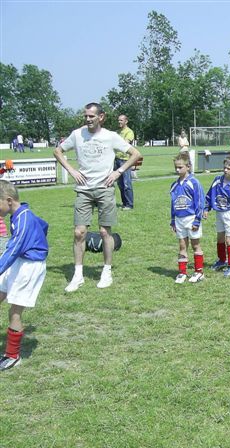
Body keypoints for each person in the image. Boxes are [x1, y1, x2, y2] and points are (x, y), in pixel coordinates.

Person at [54, 102, 142, 292]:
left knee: (104, 232)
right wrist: (71, 170)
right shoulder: (77, 135)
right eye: (86, 116)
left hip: (105, 189)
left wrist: (118, 172)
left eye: (91, 116)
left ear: (101, 117)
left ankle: (106, 271)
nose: (88, 119)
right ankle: (78, 275)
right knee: (79, 233)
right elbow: (58, 151)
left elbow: (135, 154)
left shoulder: (111, 137)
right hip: (83, 190)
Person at [0, 180, 48, 371]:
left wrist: (37, 250)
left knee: (14, 311)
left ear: (9, 200)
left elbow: (12, 250)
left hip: (29, 267)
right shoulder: (21, 214)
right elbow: (44, 225)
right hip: (20, 261)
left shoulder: (23, 220)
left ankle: (12, 356)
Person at [205, 156, 230, 278]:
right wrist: (206, 208)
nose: (225, 170)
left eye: (229, 168)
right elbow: (209, 195)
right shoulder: (217, 180)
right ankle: (222, 260)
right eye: (224, 167)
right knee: (220, 237)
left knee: (229, 240)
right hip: (219, 213)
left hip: (229, 214)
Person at [170, 152, 206, 284]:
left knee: (195, 245)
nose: (177, 170)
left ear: (188, 166)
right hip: (179, 220)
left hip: (191, 218)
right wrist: (173, 220)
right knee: (182, 245)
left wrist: (197, 220)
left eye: (180, 167)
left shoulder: (194, 182)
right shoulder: (174, 185)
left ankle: (199, 272)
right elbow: (173, 204)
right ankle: (182, 272)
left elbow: (200, 202)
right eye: (176, 167)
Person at [114, 114, 135, 210]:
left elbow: (124, 144)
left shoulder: (129, 132)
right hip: (116, 159)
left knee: (127, 183)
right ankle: (124, 203)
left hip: (125, 160)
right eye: (118, 120)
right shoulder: (117, 132)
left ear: (126, 121)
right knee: (120, 184)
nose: (119, 122)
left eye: (121, 120)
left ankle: (129, 205)